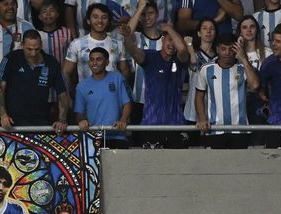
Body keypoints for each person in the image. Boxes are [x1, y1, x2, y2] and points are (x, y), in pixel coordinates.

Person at [123, 21, 189, 149]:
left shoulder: (181, 60)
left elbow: (182, 49)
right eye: (169, 39)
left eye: (175, 40)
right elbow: (133, 51)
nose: (172, 44)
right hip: (151, 124)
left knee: (178, 162)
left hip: (176, 125)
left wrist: (169, 28)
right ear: (162, 40)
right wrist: (127, 36)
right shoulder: (150, 56)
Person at [0, 29, 69, 133]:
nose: (33, 53)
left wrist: (62, 120)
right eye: (29, 49)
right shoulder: (10, 59)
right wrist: (3, 115)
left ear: (41, 45)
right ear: (22, 45)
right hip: (12, 122)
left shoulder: (52, 63)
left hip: (41, 121)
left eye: (37, 49)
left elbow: (62, 93)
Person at [194, 33, 259, 148]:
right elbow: (199, 96)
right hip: (214, 129)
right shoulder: (206, 69)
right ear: (217, 49)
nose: (227, 53)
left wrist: (243, 58)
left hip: (240, 129)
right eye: (223, 49)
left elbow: (254, 85)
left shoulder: (243, 68)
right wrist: (202, 118)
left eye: (231, 49)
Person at [74, 47, 132, 148]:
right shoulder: (82, 86)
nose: (94, 63)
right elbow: (79, 112)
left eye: (99, 59)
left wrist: (123, 120)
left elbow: (127, 103)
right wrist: (82, 121)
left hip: (117, 136)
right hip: (93, 137)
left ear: (107, 62)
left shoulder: (117, 78)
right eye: (92, 60)